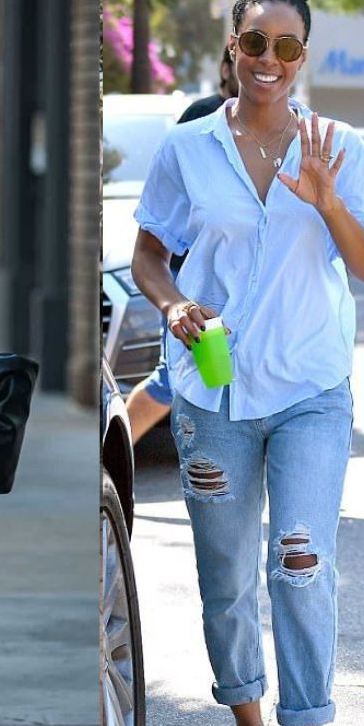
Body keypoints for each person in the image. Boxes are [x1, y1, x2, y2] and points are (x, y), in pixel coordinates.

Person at [131, 0, 364, 726]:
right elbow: (147, 257)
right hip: (214, 395)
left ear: (305, 53)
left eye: (287, 45)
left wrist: (327, 203)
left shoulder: (338, 147)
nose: (269, 59)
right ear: (232, 46)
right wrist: (170, 307)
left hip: (312, 387)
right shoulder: (186, 147)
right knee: (226, 574)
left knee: (302, 562)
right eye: (254, 41)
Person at [126, 46, 238, 444]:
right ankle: (113, 449)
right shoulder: (201, 118)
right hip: (188, 274)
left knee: (210, 381)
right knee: (174, 379)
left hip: (232, 277)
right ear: (228, 65)